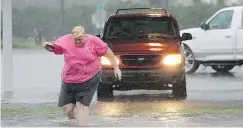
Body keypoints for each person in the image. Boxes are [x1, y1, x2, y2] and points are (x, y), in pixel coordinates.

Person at [43, 26, 122, 126]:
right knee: (67, 109)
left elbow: (109, 53)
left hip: (90, 77)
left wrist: (116, 67)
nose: (78, 42)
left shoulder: (94, 41)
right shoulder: (66, 40)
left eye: (80, 39)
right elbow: (54, 47)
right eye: (75, 40)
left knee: (81, 106)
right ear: (72, 37)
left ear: (85, 36)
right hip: (69, 79)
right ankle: (81, 121)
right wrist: (48, 46)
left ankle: (83, 124)